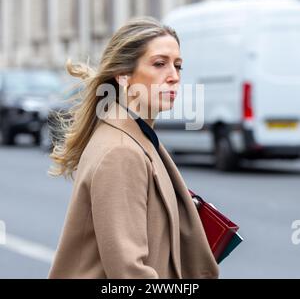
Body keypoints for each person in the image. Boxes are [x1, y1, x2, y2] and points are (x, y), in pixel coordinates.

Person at [47, 17, 219, 279]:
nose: (173, 77)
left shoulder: (136, 135)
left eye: (178, 66)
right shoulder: (121, 152)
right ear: (123, 75)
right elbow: (129, 275)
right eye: (159, 64)